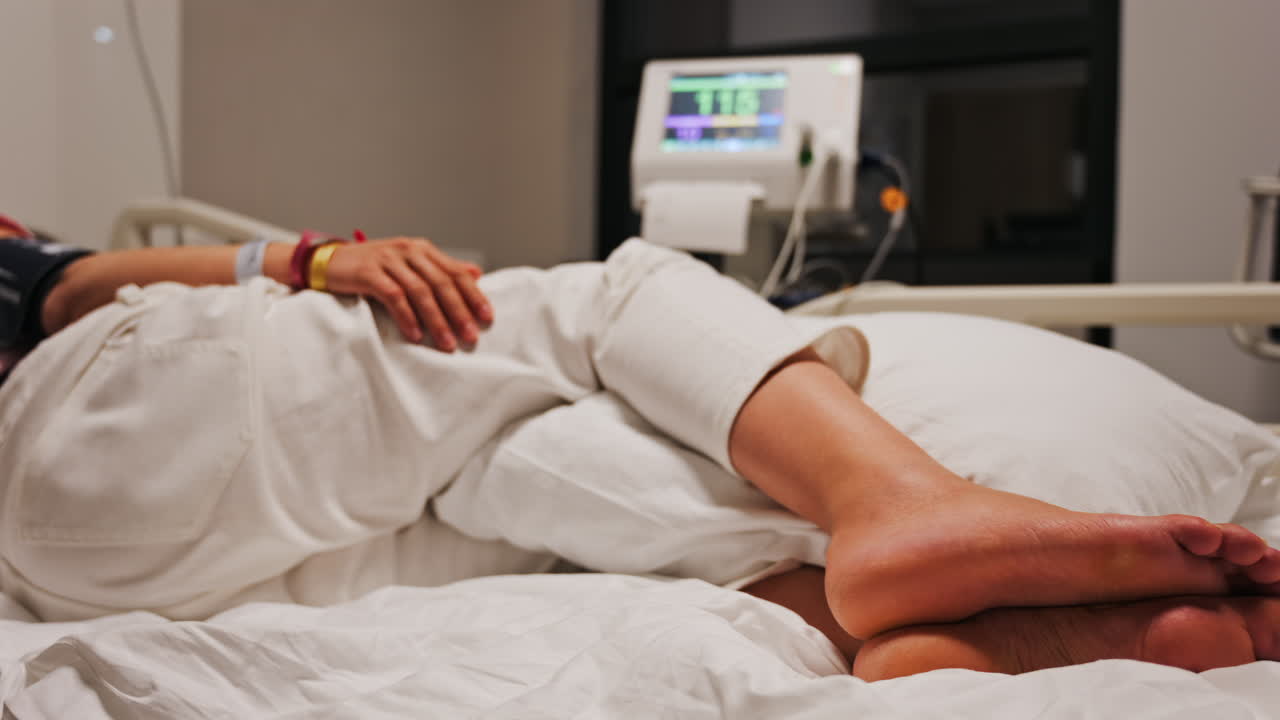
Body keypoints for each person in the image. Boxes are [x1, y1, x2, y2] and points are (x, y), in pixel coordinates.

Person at [1, 215, 1278, 681]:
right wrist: (301, 259)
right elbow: (63, 285)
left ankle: (867, 610)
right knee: (600, 304)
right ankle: (908, 503)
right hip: (70, 443)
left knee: (527, 498)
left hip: (89, 568)